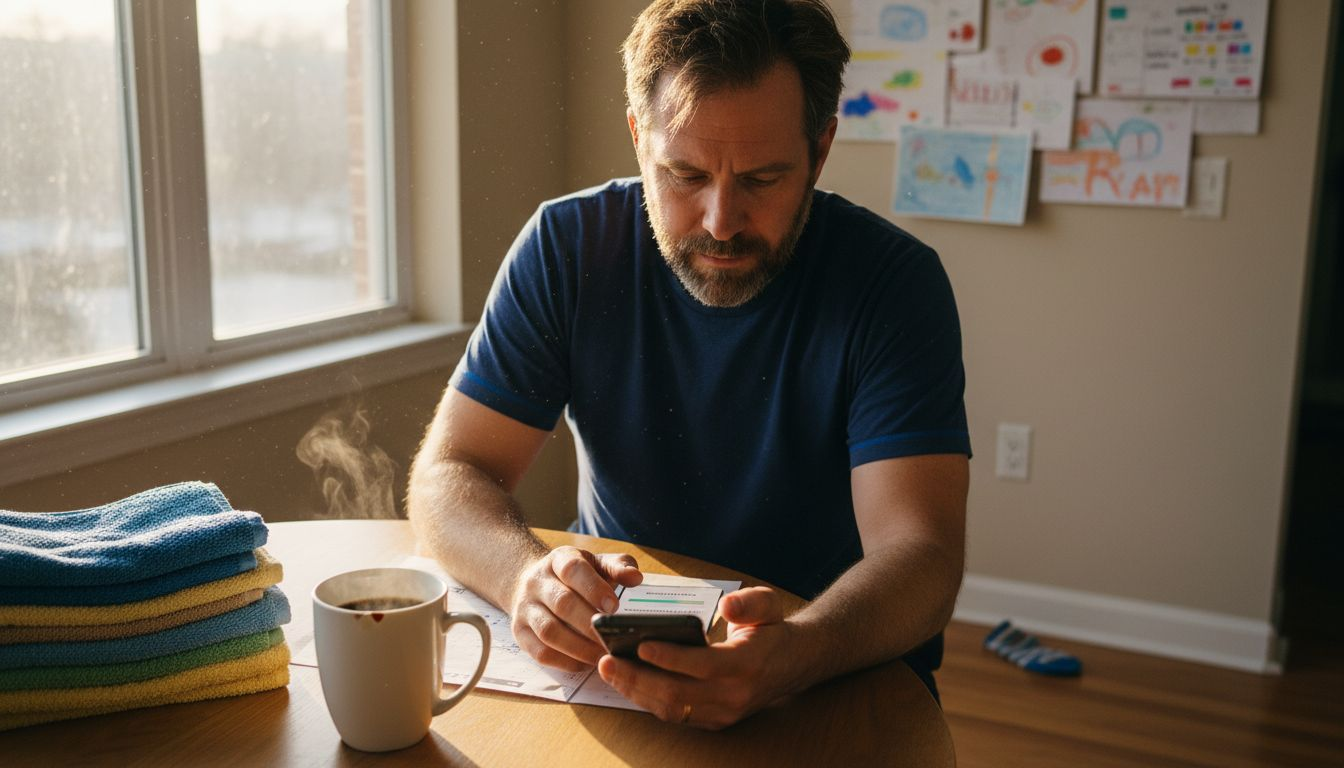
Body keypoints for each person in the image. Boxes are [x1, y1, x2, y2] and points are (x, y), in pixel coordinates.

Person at [408, 0, 970, 730]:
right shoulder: (567, 248)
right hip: (616, 674)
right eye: (684, 174)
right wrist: (523, 578)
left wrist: (796, 650)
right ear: (640, 138)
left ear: (821, 149)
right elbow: (450, 474)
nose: (720, 221)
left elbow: (922, 556)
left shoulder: (894, 285)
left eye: (763, 180)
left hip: (829, 678)